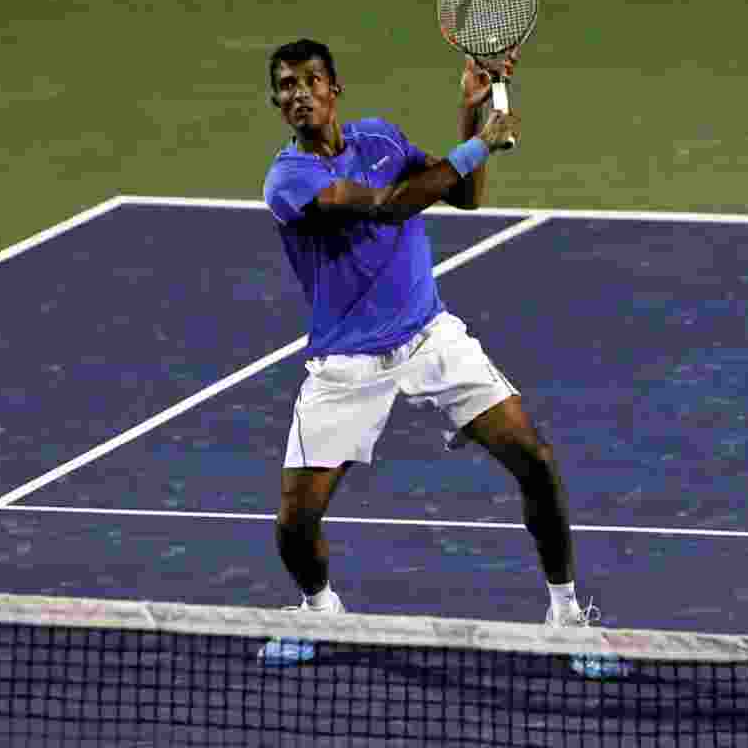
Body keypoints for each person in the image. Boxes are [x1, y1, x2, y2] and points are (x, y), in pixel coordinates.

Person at [256, 38, 615, 672]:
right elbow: (393, 205)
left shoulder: (380, 139)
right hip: (347, 365)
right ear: (277, 101)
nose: (299, 94)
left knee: (535, 461)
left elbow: (464, 196)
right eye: (286, 85)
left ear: (335, 88)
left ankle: (566, 615)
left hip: (430, 338)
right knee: (295, 521)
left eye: (311, 80)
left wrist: (469, 115)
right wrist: (482, 141)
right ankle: (319, 608)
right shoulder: (289, 178)